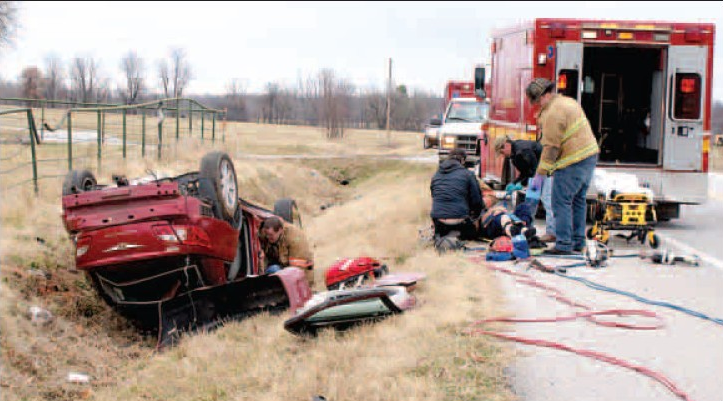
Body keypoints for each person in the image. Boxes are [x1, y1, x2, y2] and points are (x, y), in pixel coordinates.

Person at [525, 78, 600, 255]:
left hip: (572, 160)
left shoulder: (552, 113)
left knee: (560, 202)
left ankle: (564, 244)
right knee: (578, 200)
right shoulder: (568, 102)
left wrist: (541, 173)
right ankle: (577, 242)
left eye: (537, 101)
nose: (537, 106)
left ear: (543, 96)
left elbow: (551, 147)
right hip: (589, 156)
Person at [494, 136, 557, 243]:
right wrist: (514, 183)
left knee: (548, 200)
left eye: (502, 152)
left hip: (547, 170)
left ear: (506, 144)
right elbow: (525, 172)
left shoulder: (522, 151)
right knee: (531, 201)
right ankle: (527, 228)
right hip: (538, 172)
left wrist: (521, 184)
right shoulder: (515, 156)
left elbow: (532, 169)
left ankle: (552, 233)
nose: (503, 155)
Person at [430, 148, 484, 240]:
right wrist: (475, 216)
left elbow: (434, 196)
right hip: (460, 222)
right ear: (462, 160)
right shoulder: (468, 174)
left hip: (439, 222)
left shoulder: (436, 175)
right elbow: (477, 202)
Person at [259, 216, 315, 285]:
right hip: (282, 265)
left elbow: (299, 269)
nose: (268, 237)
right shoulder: (265, 234)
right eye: (266, 234)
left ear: (280, 230)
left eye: (270, 235)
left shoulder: (295, 238)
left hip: (299, 272)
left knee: (274, 269)